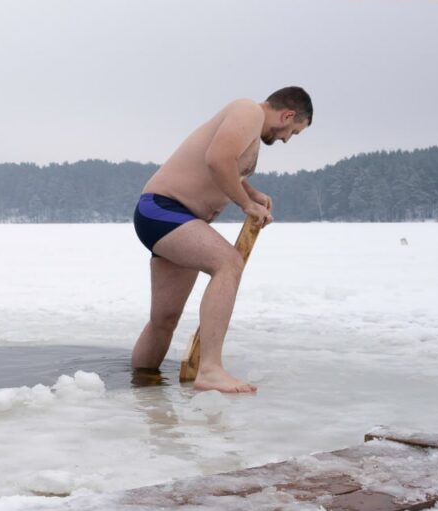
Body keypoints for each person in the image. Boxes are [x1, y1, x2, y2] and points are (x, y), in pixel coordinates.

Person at [131, 87, 313, 393]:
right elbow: (217, 159)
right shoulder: (248, 111)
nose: (285, 139)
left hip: (170, 217)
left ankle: (140, 383)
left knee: (164, 320)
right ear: (288, 115)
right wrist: (246, 204)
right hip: (164, 210)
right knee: (228, 263)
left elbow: (226, 168)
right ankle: (211, 370)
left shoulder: (249, 129)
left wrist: (253, 194)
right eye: (293, 132)